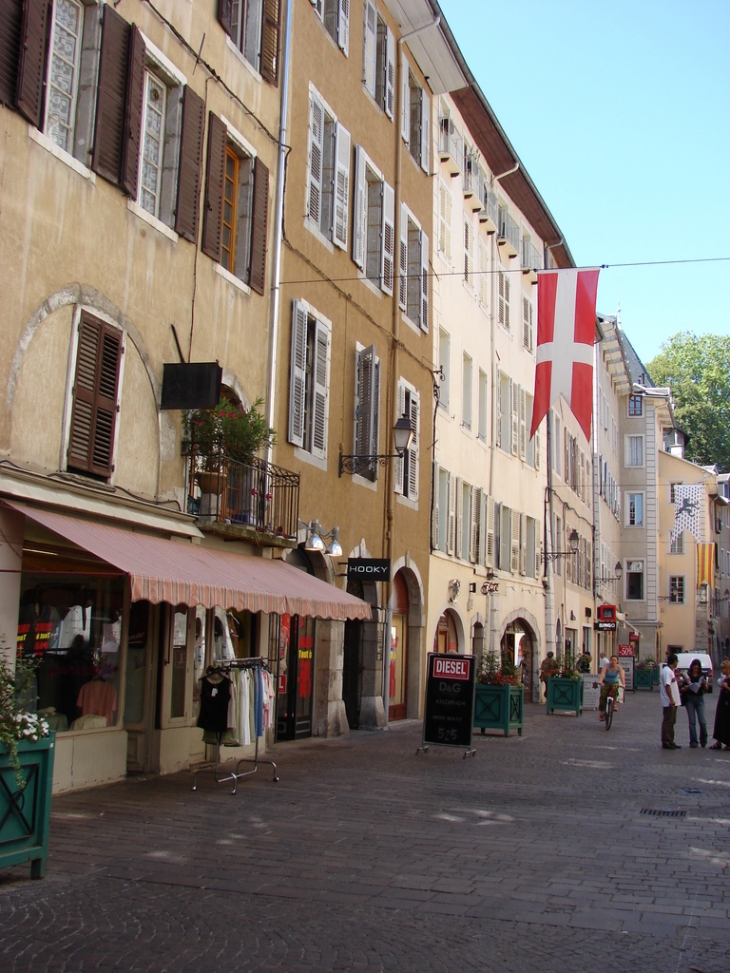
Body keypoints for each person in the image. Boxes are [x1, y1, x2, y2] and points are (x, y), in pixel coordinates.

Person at [678, 658, 708, 748]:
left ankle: (703, 739)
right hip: (689, 699)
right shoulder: (688, 676)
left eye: (697, 668)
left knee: (702, 721)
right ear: (692, 667)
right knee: (692, 721)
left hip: (699, 698)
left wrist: (705, 684)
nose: (696, 670)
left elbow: (706, 689)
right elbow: (681, 689)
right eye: (694, 668)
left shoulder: (702, 676)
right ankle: (693, 741)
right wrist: (686, 688)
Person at [660, 653, 682, 749]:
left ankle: (671, 740)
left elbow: (672, 683)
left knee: (672, 721)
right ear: (675, 661)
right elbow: (667, 686)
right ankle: (666, 740)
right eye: (677, 661)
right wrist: (671, 699)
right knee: (668, 721)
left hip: (674, 701)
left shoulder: (670, 671)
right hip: (669, 701)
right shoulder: (667, 671)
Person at [709, 658, 730, 750]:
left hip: (728, 703)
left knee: (727, 722)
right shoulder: (725, 678)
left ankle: (728, 743)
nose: (722, 670)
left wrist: (726, 687)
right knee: (719, 721)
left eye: (723, 668)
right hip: (722, 702)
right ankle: (718, 741)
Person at [598, 655, 625, 721]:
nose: (613, 661)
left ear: (617, 661)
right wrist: (600, 681)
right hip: (606, 682)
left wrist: (623, 684)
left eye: (615, 660)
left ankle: (614, 704)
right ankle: (602, 712)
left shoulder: (619, 667)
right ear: (610, 660)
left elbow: (621, 676)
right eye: (612, 660)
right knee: (603, 696)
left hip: (614, 682)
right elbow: (602, 673)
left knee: (615, 690)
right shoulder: (606, 665)